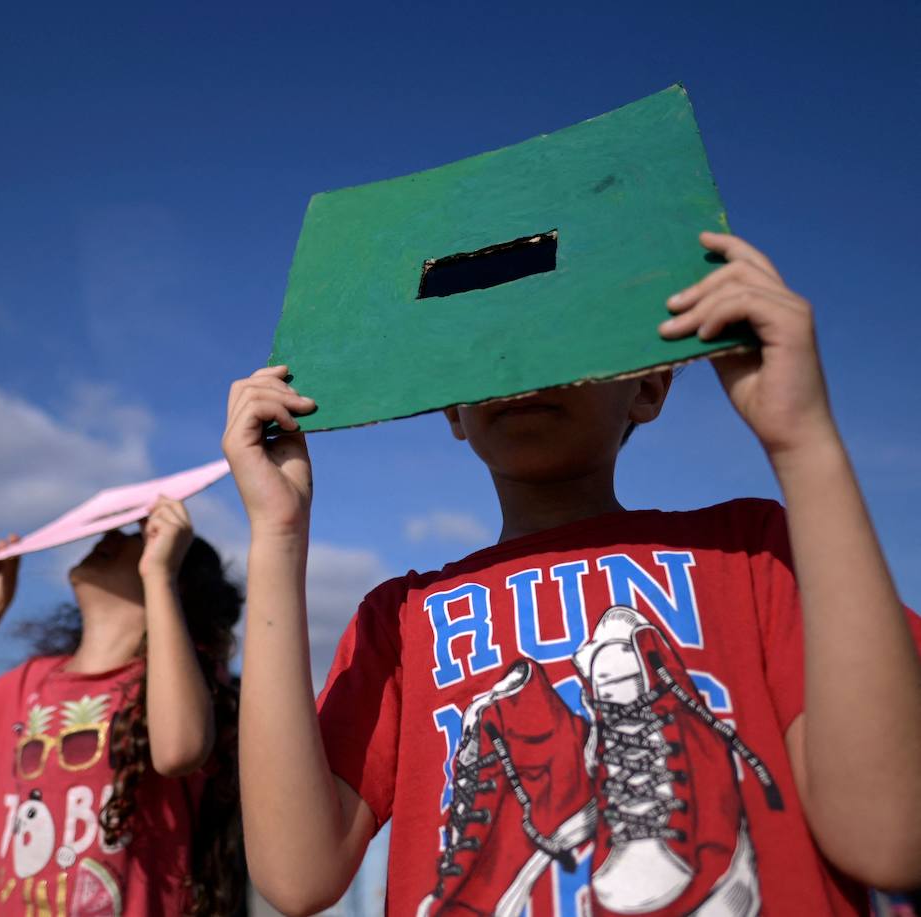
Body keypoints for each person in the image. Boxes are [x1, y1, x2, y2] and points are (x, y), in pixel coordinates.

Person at [222, 231, 921, 916]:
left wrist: (804, 439)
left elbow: (890, 838)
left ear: (648, 385)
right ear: (452, 411)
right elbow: (297, 874)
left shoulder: (756, 551)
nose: (519, 362)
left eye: (563, 331)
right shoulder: (401, 618)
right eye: (483, 347)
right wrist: (277, 534)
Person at [0, 497, 247, 916]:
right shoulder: (27, 683)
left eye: (136, 537)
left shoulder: (183, 685)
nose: (109, 536)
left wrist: (158, 575)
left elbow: (179, 749)